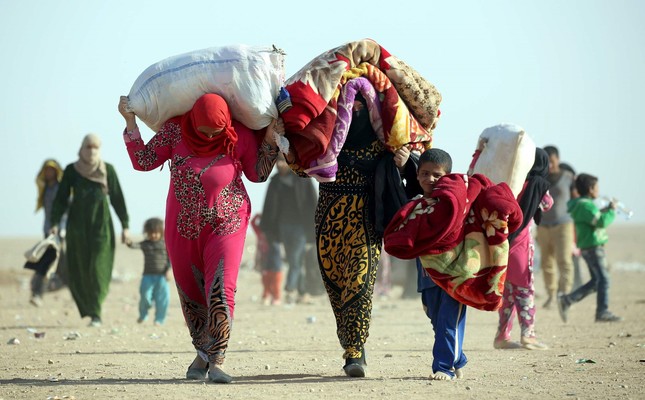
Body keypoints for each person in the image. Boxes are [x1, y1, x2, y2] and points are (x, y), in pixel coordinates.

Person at [118, 93, 280, 384]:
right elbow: (143, 161)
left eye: (214, 132)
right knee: (191, 294)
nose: (209, 136)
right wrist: (130, 121)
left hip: (227, 223)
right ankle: (201, 354)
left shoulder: (238, 134)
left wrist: (269, 139)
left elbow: (258, 174)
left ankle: (216, 360)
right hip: (182, 227)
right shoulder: (173, 132)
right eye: (204, 130)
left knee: (220, 289)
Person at [291, 93, 417, 377]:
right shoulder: (324, 139)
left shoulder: (383, 140)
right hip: (328, 222)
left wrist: (402, 161)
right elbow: (299, 167)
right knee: (337, 286)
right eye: (350, 105)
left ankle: (354, 352)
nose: (354, 110)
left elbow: (411, 174)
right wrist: (285, 143)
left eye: (361, 106)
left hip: (367, 222)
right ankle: (350, 341)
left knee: (359, 284)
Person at [50, 134, 130, 327]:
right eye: (88, 147)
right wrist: (54, 222)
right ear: (82, 148)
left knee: (98, 268)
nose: (92, 152)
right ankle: (87, 308)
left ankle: (96, 312)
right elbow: (61, 198)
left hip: (101, 226)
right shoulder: (71, 170)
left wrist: (125, 225)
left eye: (95, 148)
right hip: (77, 226)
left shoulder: (107, 169)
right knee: (78, 268)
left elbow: (117, 198)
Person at [413, 148, 468, 380]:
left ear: (447, 176)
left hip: (454, 274)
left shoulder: (457, 203)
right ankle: (458, 358)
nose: (430, 179)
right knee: (436, 319)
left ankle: (444, 367)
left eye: (437, 175)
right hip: (427, 276)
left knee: (448, 320)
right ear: (417, 175)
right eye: (425, 173)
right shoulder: (414, 205)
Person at [494, 148, 553, 350]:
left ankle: (502, 336)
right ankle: (528, 335)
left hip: (503, 244)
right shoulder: (539, 185)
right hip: (521, 244)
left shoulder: (512, 182)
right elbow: (547, 204)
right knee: (525, 290)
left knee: (508, 293)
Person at [557, 173, 622, 323]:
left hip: (589, 246)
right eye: (597, 187)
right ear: (590, 189)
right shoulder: (585, 205)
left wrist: (605, 210)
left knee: (596, 282)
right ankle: (602, 311)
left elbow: (594, 219)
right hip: (593, 246)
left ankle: (567, 300)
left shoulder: (582, 205)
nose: (599, 191)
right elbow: (600, 222)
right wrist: (611, 211)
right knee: (604, 279)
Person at [259, 154, 318, 305]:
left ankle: (290, 290)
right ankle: (301, 293)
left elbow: (313, 203)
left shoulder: (302, 179)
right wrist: (266, 229)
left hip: (301, 227)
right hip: (283, 228)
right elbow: (268, 207)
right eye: (278, 161)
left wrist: (316, 226)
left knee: (295, 259)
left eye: (283, 161)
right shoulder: (275, 182)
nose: (280, 164)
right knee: (295, 260)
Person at [536, 145, 575, 309]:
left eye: (552, 161)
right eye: (548, 162)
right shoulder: (540, 179)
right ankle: (551, 295)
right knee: (547, 263)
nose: (550, 166)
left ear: (558, 159)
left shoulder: (568, 177)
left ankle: (564, 294)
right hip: (543, 226)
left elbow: (576, 199)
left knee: (564, 260)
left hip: (563, 225)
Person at [29, 159, 65, 306]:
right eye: (47, 170)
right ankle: (37, 292)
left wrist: (61, 227)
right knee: (46, 261)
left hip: (60, 231)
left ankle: (43, 290)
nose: (49, 173)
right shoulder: (45, 189)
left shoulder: (61, 189)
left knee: (57, 262)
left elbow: (66, 208)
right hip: (48, 230)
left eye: (52, 170)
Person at [126, 217, 171, 325]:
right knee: (145, 296)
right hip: (147, 276)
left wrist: (168, 271)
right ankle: (143, 315)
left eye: (156, 233)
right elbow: (134, 245)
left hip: (162, 277)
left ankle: (159, 319)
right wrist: (128, 241)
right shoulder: (146, 244)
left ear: (161, 232)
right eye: (151, 233)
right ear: (147, 233)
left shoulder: (165, 244)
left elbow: (170, 259)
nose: (154, 235)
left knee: (163, 300)